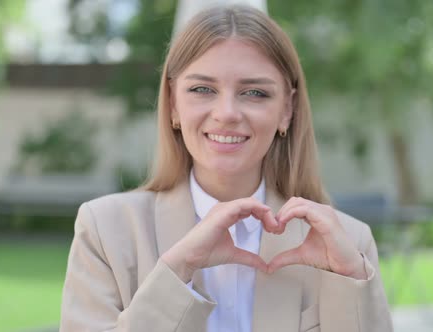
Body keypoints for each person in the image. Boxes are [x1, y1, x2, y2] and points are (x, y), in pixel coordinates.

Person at [60, 5, 392, 332]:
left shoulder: (349, 243)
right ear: (173, 103)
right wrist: (179, 269)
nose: (227, 112)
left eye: (255, 93)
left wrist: (350, 279)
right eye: (202, 89)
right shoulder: (105, 231)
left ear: (287, 109)